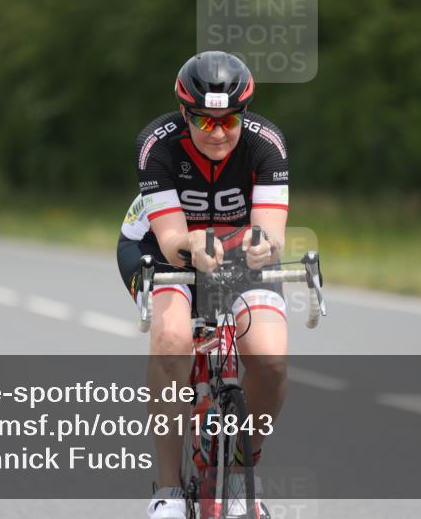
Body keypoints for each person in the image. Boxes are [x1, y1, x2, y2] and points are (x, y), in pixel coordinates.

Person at [121, 51, 290, 519]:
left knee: (271, 359)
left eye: (229, 120)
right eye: (204, 121)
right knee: (173, 339)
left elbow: (272, 232)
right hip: (162, 247)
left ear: (245, 113)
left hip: (236, 251)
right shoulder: (157, 144)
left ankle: (240, 470)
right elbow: (172, 237)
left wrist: (263, 247)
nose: (218, 132)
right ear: (183, 113)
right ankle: (169, 491)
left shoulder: (267, 143)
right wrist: (193, 244)